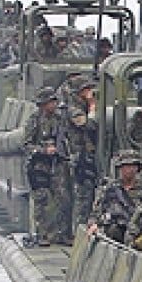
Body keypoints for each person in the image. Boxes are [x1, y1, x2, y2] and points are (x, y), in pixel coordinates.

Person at [23, 87, 70, 246]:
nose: (53, 105)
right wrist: (43, 150)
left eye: (54, 102)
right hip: (40, 166)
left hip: (57, 165)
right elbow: (26, 145)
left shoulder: (60, 119)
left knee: (62, 198)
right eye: (50, 102)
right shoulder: (34, 120)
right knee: (42, 200)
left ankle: (62, 233)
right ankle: (42, 234)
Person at [86, 150, 142, 243]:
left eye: (133, 166)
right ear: (121, 167)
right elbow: (96, 212)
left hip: (135, 236)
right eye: (127, 166)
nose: (130, 169)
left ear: (138, 168)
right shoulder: (109, 190)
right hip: (111, 237)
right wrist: (93, 225)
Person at [64, 78, 99, 229]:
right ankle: (77, 229)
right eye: (87, 90)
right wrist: (92, 106)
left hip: (88, 157)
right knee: (82, 196)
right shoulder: (74, 110)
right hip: (79, 158)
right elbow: (89, 125)